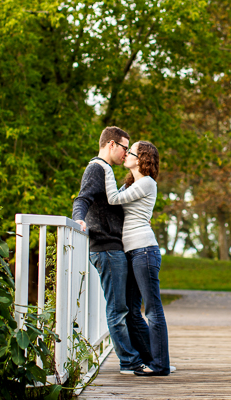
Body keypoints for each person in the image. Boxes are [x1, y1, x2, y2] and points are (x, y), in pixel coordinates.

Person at [72, 126, 151, 375]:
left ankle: (147, 359)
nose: (126, 153)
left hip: (114, 247)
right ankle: (129, 362)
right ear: (111, 145)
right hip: (105, 247)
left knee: (126, 307)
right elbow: (82, 198)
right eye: (125, 147)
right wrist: (78, 219)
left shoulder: (106, 171)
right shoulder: (96, 167)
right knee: (118, 309)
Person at [90, 140, 171, 376]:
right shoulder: (132, 184)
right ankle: (152, 359)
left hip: (144, 250)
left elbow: (113, 199)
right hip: (132, 252)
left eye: (130, 152)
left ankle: (160, 365)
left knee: (152, 310)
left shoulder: (147, 183)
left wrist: (103, 166)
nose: (125, 155)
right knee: (134, 311)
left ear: (141, 158)